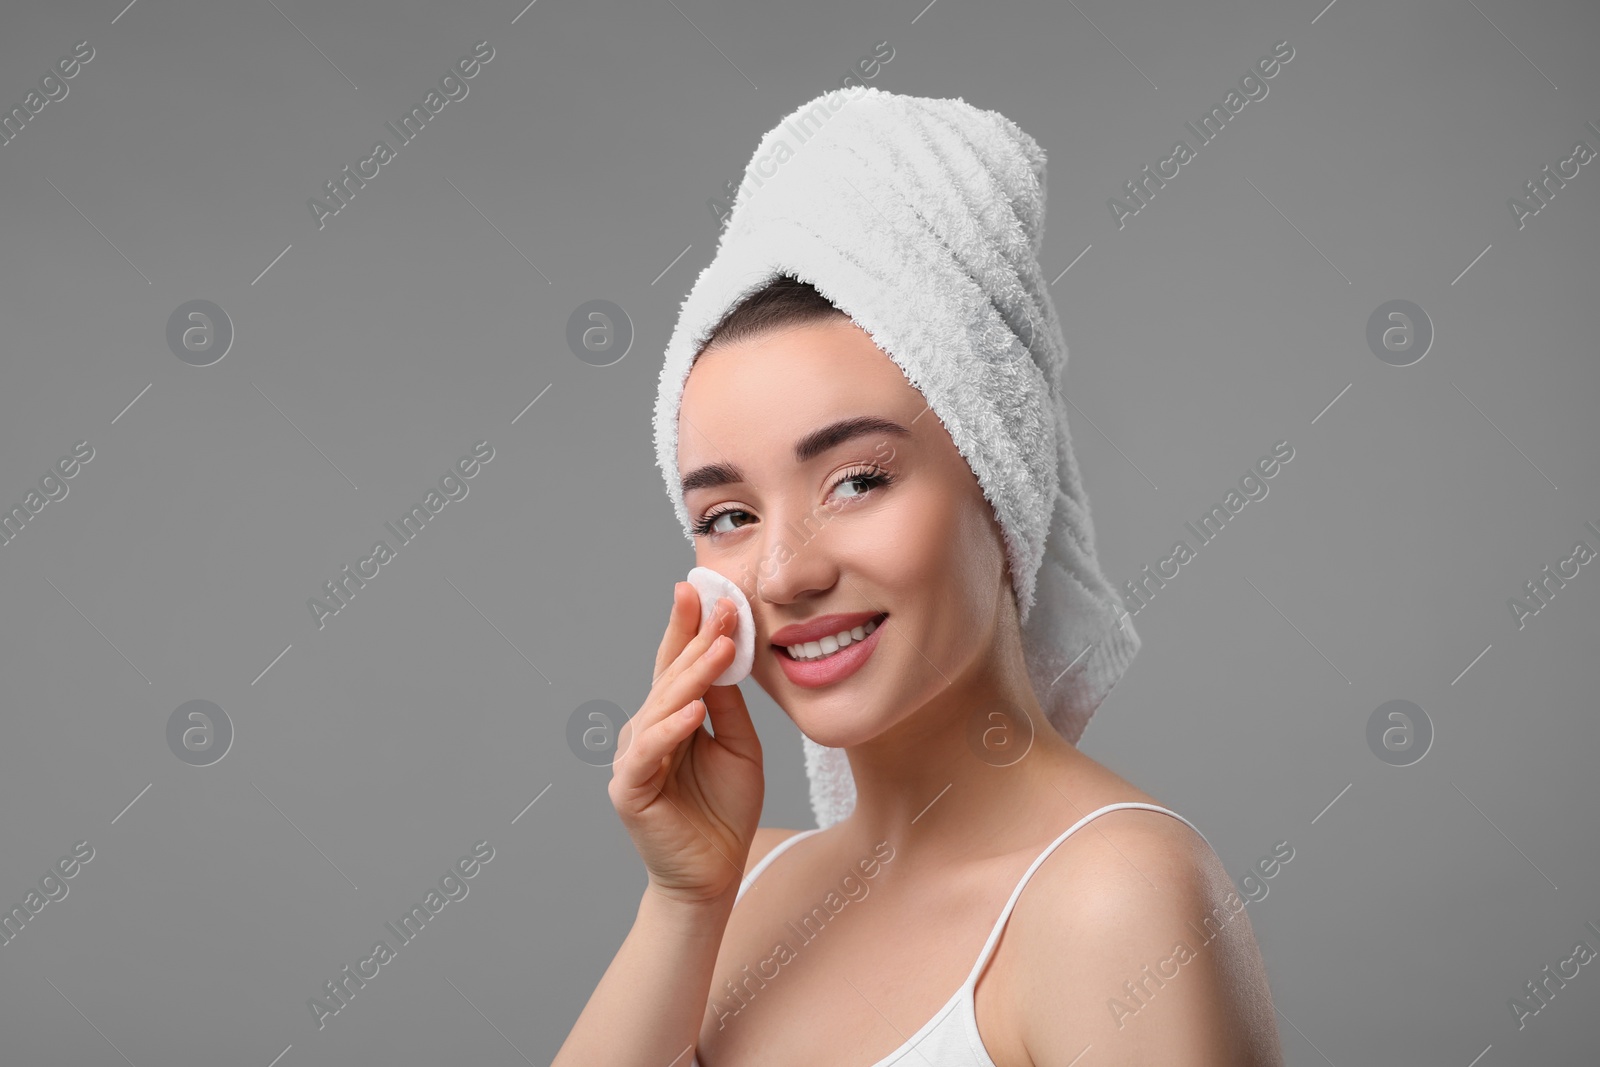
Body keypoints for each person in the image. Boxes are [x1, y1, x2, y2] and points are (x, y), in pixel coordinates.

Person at [554, 89, 1283, 1067]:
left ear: (999, 480)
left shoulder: (1113, 897)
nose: (784, 570)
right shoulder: (742, 888)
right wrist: (681, 900)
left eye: (856, 480)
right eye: (728, 514)